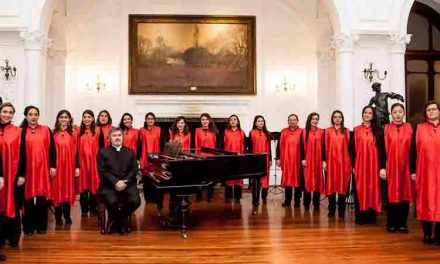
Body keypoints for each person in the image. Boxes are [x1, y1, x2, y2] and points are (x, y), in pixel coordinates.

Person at [18, 106, 56, 235]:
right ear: (26, 116)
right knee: (27, 199)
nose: (33, 117)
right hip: (27, 170)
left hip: (42, 169)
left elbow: (52, 150)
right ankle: (28, 227)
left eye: (36, 114)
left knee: (41, 198)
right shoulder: (20, 131)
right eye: (30, 114)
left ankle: (41, 226)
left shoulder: (46, 130)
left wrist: (53, 166)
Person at [97, 127, 140, 234]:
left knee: (135, 201)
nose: (117, 138)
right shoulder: (102, 152)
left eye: (119, 135)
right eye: (114, 135)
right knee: (112, 202)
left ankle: (116, 220)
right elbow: (103, 171)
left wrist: (126, 182)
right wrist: (116, 182)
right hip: (109, 184)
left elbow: (134, 169)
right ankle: (121, 222)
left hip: (127, 184)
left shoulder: (130, 152)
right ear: (110, 139)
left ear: (123, 137)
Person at [380, 103, 413, 233]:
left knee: (405, 195)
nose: (398, 114)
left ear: (403, 113)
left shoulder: (410, 128)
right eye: (395, 112)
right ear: (391, 114)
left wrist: (413, 169)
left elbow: (413, 150)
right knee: (391, 195)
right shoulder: (386, 128)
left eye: (400, 111)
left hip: (405, 167)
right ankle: (391, 222)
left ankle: (403, 223)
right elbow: (382, 150)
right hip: (391, 167)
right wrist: (382, 167)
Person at [411, 101, 440, 244]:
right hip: (424, 172)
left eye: (434, 109)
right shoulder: (420, 128)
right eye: (429, 110)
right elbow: (412, 152)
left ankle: (439, 234)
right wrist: (413, 171)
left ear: (439, 111)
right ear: (426, 113)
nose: (432, 111)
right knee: (425, 201)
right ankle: (427, 233)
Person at [351, 106, 383, 225]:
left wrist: (381, 167)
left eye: (370, 113)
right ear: (362, 114)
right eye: (365, 112)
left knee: (372, 188)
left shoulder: (378, 131)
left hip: (374, 165)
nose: (367, 114)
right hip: (360, 165)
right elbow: (352, 149)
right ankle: (360, 216)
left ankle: (371, 216)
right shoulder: (356, 130)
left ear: (373, 115)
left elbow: (381, 150)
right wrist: (353, 165)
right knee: (360, 189)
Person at [0, 102, 21, 249]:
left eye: (10, 112)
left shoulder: (18, 131)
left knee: (13, 204)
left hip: (13, 175)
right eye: (4, 111)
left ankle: (13, 237)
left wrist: (22, 174)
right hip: (0, 175)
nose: (7, 114)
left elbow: (23, 154)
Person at [51, 110, 78, 225]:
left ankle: (67, 215)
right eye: (61, 117)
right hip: (57, 167)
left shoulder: (74, 133)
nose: (63, 119)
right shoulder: (52, 133)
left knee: (67, 189)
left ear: (69, 119)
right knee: (57, 190)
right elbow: (50, 151)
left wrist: (77, 167)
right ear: (58, 119)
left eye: (66, 117)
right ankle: (57, 216)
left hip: (69, 167)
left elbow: (78, 151)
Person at [324, 110, 352, 218]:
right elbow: (323, 147)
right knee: (330, 186)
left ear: (342, 118)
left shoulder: (347, 131)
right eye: (335, 117)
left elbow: (350, 148)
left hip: (343, 163)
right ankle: (331, 209)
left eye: (339, 117)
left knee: (342, 186)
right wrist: (324, 161)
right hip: (330, 163)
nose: (337, 118)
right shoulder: (327, 131)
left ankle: (341, 211)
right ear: (332, 118)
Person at [77, 110, 103, 217]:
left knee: (94, 186)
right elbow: (75, 150)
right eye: (85, 117)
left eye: (89, 117)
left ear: (93, 118)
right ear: (82, 118)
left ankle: (93, 209)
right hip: (82, 163)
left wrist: (101, 163)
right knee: (83, 187)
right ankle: (83, 210)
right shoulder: (78, 131)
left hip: (94, 163)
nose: (87, 119)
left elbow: (102, 148)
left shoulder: (98, 130)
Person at [276, 114, 303, 208]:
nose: (292, 121)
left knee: (298, 181)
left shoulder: (302, 131)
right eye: (290, 120)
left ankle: (297, 201)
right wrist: (278, 158)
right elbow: (278, 146)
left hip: (298, 160)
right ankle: (287, 200)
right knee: (288, 181)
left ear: (297, 121)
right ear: (288, 121)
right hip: (286, 160)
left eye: (294, 120)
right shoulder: (283, 131)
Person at [301, 112, 325, 211]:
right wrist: (302, 158)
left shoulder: (322, 132)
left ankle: (316, 204)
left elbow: (324, 147)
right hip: (308, 160)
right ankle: (306, 204)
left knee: (318, 181)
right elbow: (301, 147)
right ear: (309, 120)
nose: (315, 121)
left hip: (318, 160)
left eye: (316, 119)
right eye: (313, 119)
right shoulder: (304, 132)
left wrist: (324, 160)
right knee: (308, 181)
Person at [195, 113, 219, 202]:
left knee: (210, 178)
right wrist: (196, 157)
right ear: (201, 121)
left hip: (211, 158)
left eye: (206, 119)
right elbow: (196, 144)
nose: (205, 121)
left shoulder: (214, 130)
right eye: (203, 120)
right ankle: (199, 196)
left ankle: (210, 196)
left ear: (209, 120)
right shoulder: (197, 130)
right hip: (200, 158)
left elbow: (216, 146)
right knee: (199, 178)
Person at [223, 114, 246, 204]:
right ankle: (228, 197)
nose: (233, 121)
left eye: (235, 119)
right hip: (228, 158)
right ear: (229, 122)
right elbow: (223, 145)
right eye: (231, 120)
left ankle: (237, 197)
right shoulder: (226, 132)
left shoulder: (241, 132)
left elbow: (244, 146)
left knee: (238, 178)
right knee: (229, 177)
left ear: (238, 121)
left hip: (239, 158)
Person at [248, 115, 271, 204]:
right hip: (255, 159)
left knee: (265, 179)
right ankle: (256, 199)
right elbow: (249, 147)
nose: (261, 123)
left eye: (262, 121)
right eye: (259, 121)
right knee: (256, 180)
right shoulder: (252, 132)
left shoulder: (267, 133)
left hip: (265, 158)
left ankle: (264, 197)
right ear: (255, 123)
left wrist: (270, 159)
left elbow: (269, 147)